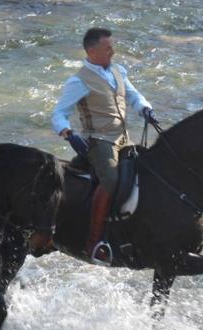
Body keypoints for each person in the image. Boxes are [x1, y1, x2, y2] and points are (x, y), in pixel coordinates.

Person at [51, 27, 158, 263]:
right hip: (99, 141)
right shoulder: (78, 81)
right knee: (111, 180)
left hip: (123, 138)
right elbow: (58, 114)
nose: (113, 51)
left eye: (112, 46)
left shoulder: (118, 71)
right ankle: (94, 242)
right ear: (92, 51)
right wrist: (68, 133)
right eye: (108, 47)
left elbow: (133, 96)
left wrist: (145, 109)